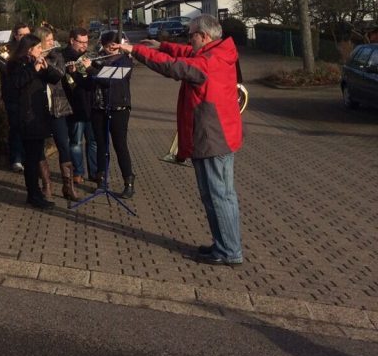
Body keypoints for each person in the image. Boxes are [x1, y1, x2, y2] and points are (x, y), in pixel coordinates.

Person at [122, 15, 245, 265]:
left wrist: (135, 50)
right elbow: (186, 54)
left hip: (212, 138)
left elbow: (174, 67)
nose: (189, 39)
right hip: (217, 136)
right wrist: (161, 45)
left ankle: (229, 251)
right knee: (218, 195)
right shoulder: (218, 51)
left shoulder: (209, 62)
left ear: (204, 36)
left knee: (218, 196)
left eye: (191, 35)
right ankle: (224, 245)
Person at [4, 35, 60, 209]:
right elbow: (17, 85)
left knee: (36, 155)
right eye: (37, 48)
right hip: (27, 116)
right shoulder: (16, 65)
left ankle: (35, 193)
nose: (40, 50)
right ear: (29, 49)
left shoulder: (36, 63)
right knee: (31, 158)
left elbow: (55, 78)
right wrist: (33, 69)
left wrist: (46, 67)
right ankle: (33, 194)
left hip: (39, 115)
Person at [89, 31, 135, 199]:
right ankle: (101, 181)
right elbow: (90, 82)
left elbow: (111, 79)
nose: (110, 47)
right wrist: (78, 70)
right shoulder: (97, 60)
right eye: (107, 44)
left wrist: (90, 70)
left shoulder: (126, 61)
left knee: (120, 145)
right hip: (98, 107)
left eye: (113, 43)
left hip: (119, 108)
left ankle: (129, 182)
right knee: (101, 145)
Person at [34, 26, 77, 202]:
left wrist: (46, 64)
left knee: (63, 145)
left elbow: (58, 75)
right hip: (39, 109)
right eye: (49, 40)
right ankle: (47, 186)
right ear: (40, 41)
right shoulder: (31, 57)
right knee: (39, 147)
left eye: (52, 39)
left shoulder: (57, 55)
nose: (52, 42)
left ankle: (68, 185)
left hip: (57, 107)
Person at [62, 27, 98, 184]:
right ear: (72, 41)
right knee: (76, 142)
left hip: (91, 105)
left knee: (93, 141)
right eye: (81, 42)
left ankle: (95, 172)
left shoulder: (89, 56)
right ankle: (78, 172)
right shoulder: (63, 56)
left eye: (86, 42)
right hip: (74, 105)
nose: (84, 46)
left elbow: (94, 79)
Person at [5, 22, 32, 172]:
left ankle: (26, 157)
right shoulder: (9, 51)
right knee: (15, 128)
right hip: (13, 95)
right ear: (15, 36)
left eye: (27, 35)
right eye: (21, 35)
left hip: (28, 98)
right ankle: (16, 159)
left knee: (27, 129)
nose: (24, 38)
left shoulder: (33, 49)